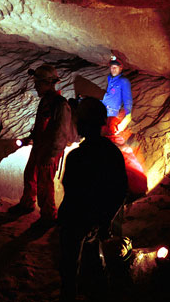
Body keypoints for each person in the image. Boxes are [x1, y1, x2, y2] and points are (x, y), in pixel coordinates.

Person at [57, 97, 128, 301]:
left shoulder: (77, 157)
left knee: (70, 269)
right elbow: (119, 190)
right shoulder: (112, 153)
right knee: (94, 267)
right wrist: (103, 221)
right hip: (93, 221)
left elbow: (71, 191)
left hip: (76, 220)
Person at [8, 64, 73, 225]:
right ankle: (27, 204)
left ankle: (48, 215)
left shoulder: (60, 104)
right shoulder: (46, 101)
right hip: (40, 146)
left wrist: (51, 155)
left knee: (45, 182)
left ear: (48, 83)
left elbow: (61, 132)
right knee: (30, 174)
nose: (35, 86)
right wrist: (30, 138)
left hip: (50, 150)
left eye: (38, 83)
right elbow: (42, 126)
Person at [101, 56, 133, 144]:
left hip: (113, 115)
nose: (113, 69)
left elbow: (128, 99)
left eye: (115, 67)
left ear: (121, 68)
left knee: (110, 138)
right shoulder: (109, 78)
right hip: (104, 111)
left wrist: (127, 116)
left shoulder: (124, 81)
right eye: (111, 67)